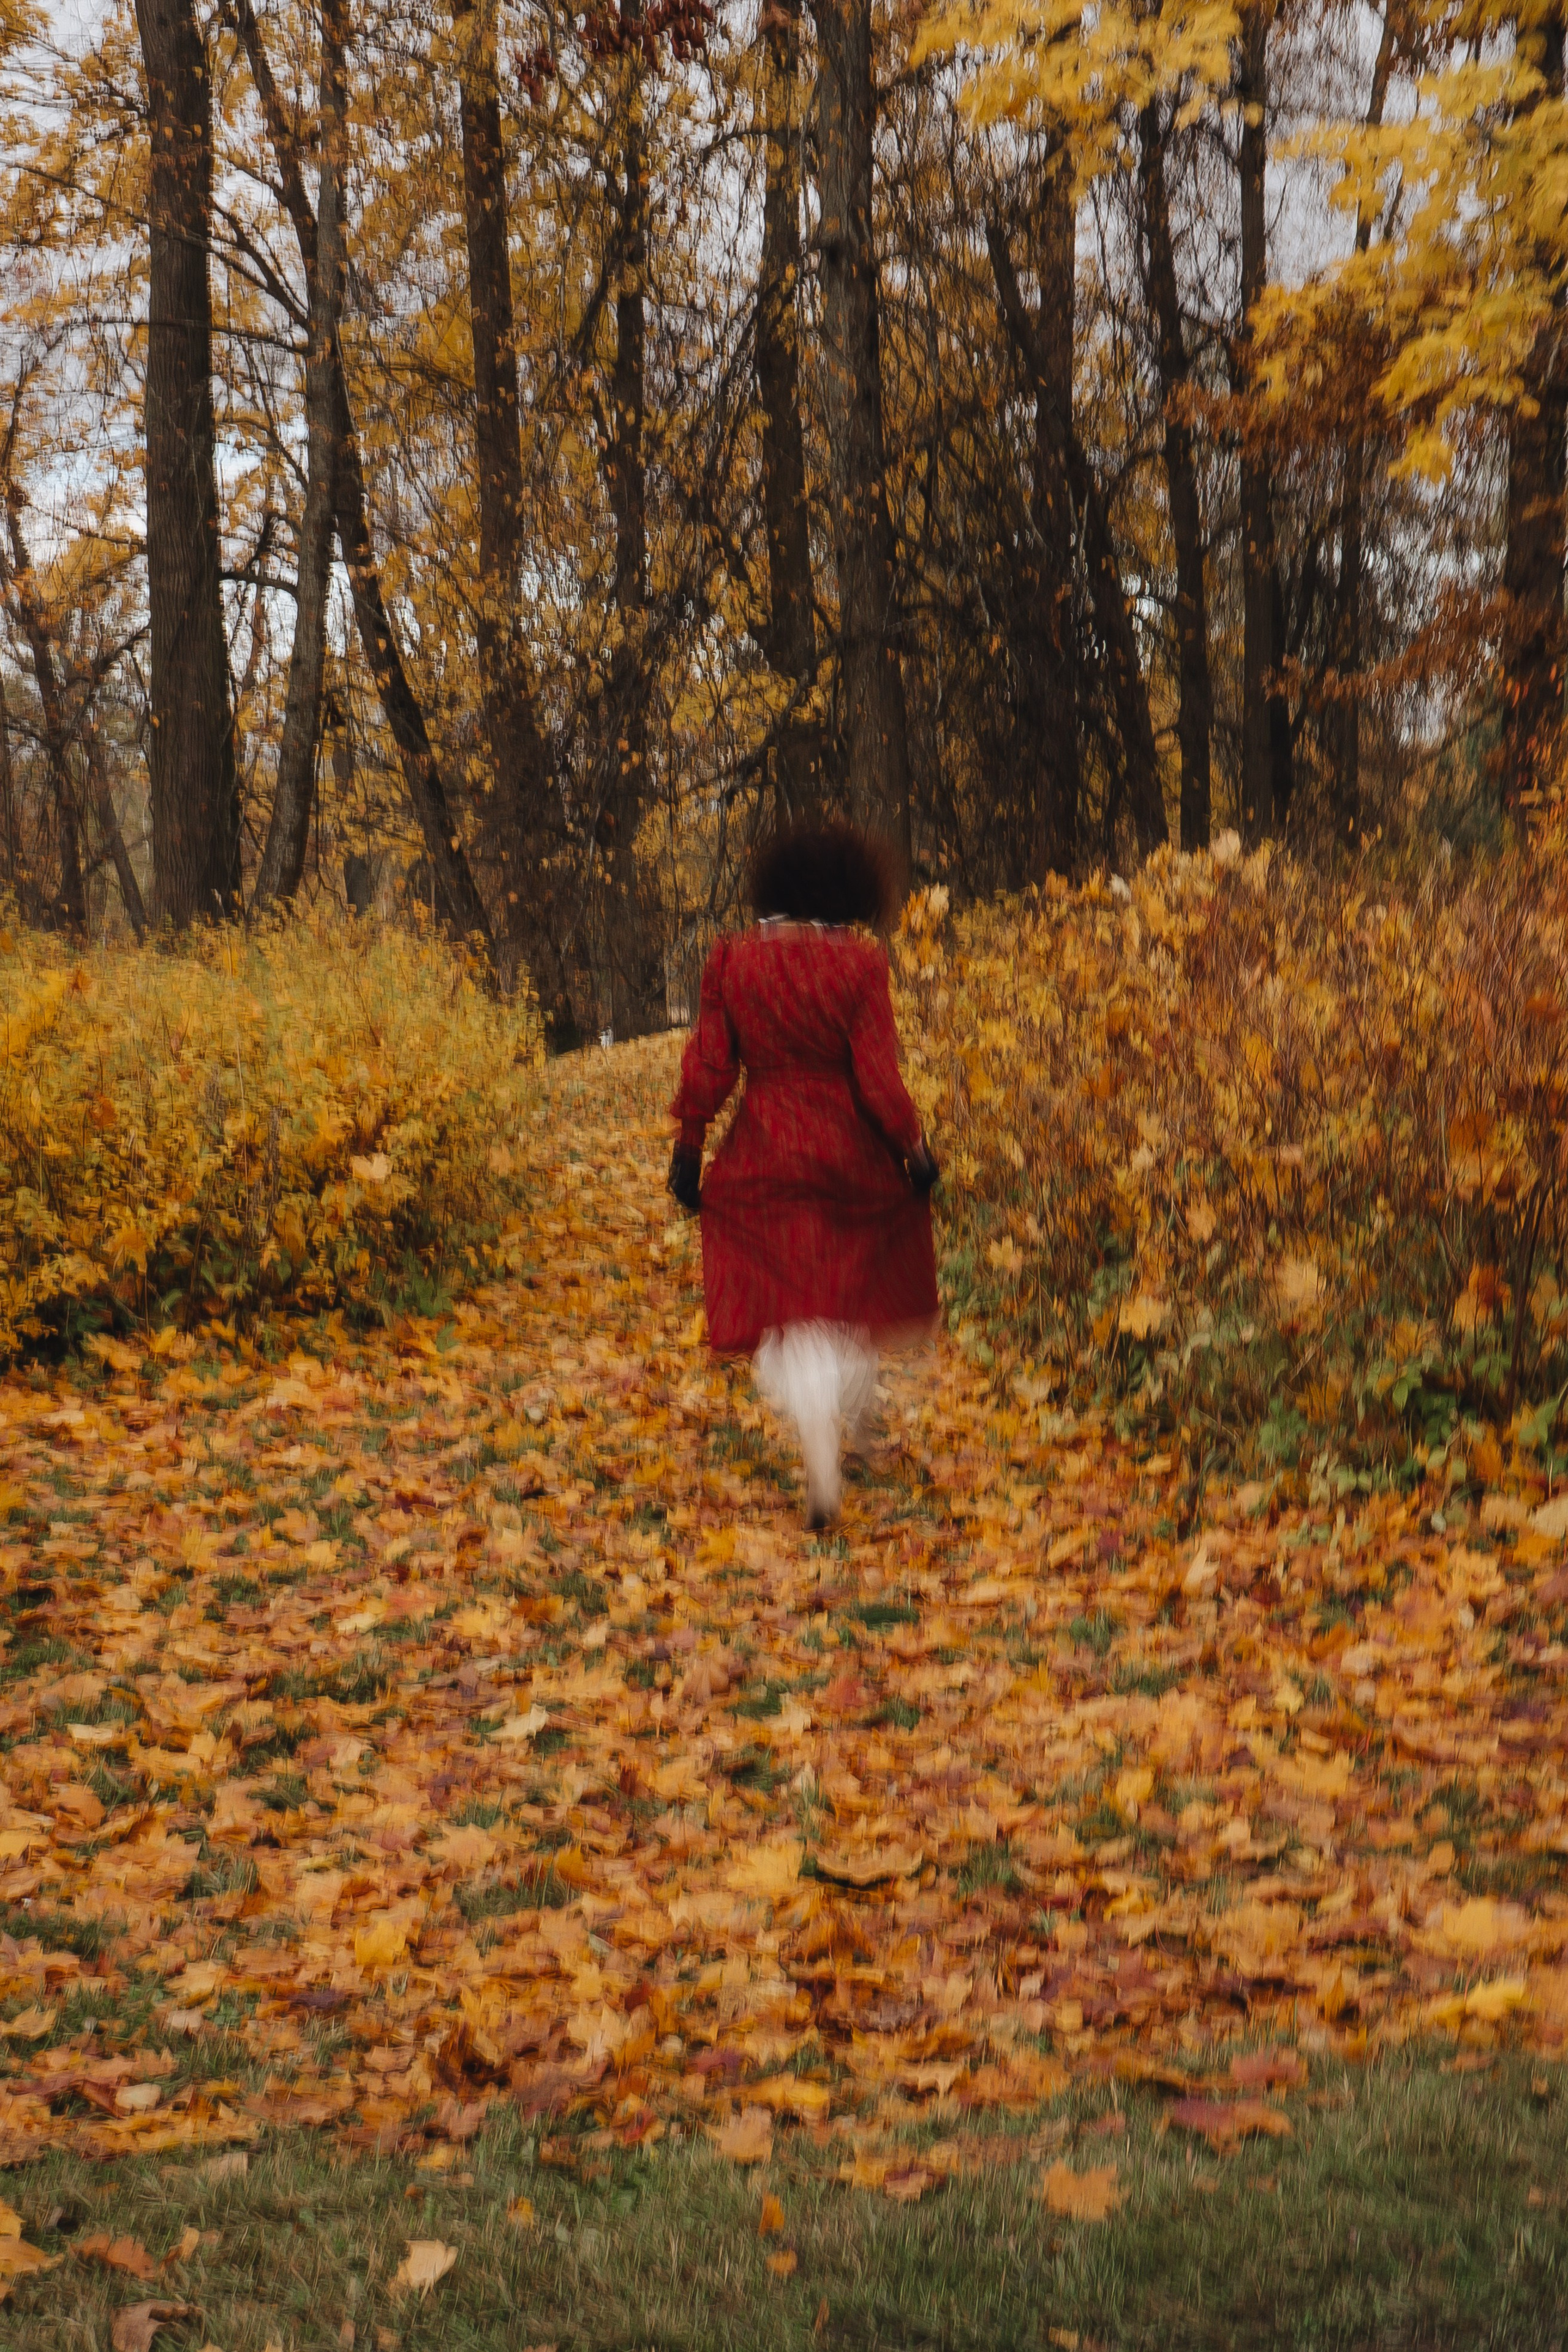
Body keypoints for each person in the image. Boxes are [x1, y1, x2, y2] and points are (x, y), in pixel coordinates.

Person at [668, 821, 939, 1528]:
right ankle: (851, 1412)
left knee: (790, 1303)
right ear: (849, 890)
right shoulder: (858, 965)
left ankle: (815, 1432)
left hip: (764, 1144)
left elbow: (712, 1063)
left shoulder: (732, 961)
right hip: (846, 1149)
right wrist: (913, 1151)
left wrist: (690, 1146)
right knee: (844, 1290)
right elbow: (878, 1079)